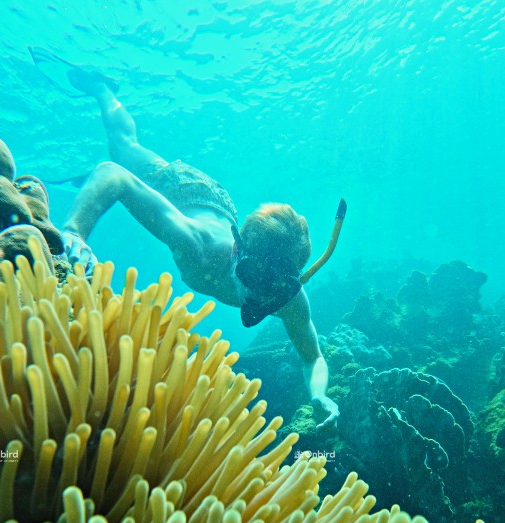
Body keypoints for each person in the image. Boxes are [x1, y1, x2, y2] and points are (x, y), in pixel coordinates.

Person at [40, 55, 340, 428]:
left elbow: (313, 357)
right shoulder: (195, 244)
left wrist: (319, 393)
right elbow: (111, 174)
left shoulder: (288, 297)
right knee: (122, 150)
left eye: (276, 286)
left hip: (224, 211)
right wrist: (73, 234)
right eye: (255, 277)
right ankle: (103, 87)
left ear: (292, 278)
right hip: (184, 188)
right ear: (236, 249)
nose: (260, 298)